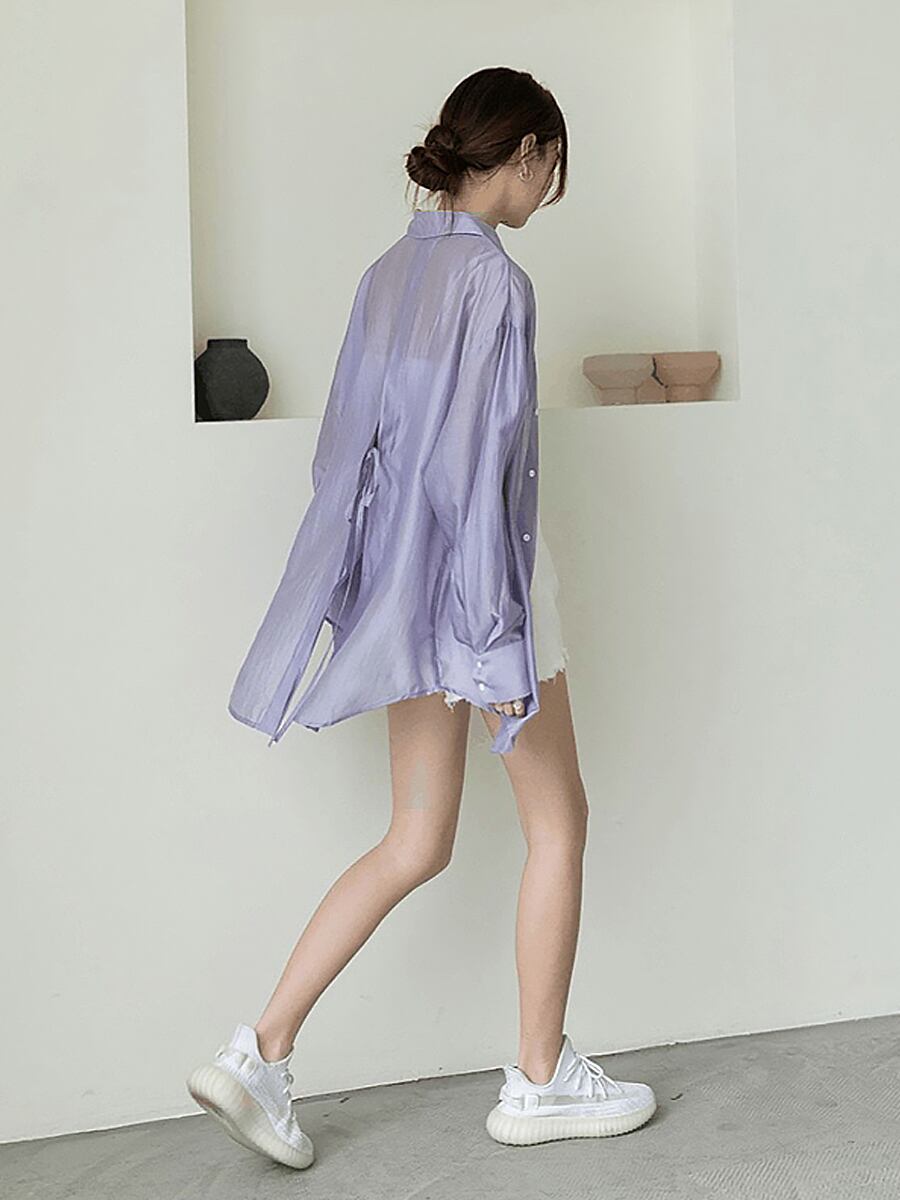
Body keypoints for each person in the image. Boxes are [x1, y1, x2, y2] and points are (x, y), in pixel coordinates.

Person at [187, 66, 656, 1169]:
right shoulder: (496, 282)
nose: (547, 194)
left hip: (405, 597)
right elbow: (479, 471)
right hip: (488, 593)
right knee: (560, 823)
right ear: (528, 151)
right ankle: (539, 1079)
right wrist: (494, 635)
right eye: (552, 169)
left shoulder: (385, 274)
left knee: (413, 839)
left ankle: (259, 1053)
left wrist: (380, 596)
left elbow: (344, 459)